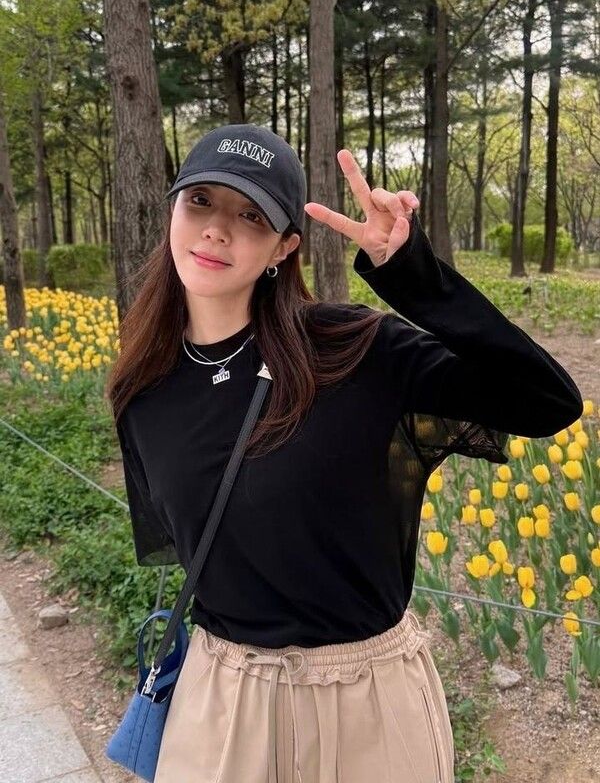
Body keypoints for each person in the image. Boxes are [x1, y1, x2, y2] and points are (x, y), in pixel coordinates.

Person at [106, 122, 583, 783]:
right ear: (173, 211)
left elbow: (547, 401)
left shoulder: (352, 351)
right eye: (201, 201)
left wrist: (412, 273)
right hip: (220, 703)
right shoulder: (143, 391)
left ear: (284, 247)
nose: (216, 229)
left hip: (369, 704)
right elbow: (181, 548)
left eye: (250, 215)